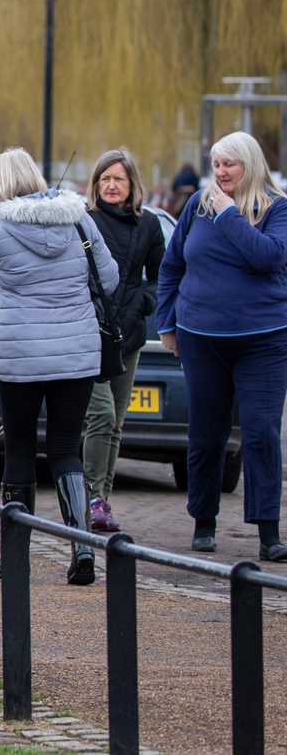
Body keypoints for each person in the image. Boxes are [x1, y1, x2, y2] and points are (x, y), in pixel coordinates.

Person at [0, 147, 117, 585]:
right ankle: (82, 550)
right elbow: (108, 278)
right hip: (76, 352)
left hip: (22, 354)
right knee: (67, 447)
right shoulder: (78, 218)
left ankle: (14, 557)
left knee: (20, 448)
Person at [157, 131, 287, 562]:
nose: (221, 172)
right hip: (200, 337)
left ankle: (268, 531)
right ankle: (203, 522)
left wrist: (230, 213)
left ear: (250, 164)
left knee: (261, 434)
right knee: (206, 435)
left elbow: (266, 257)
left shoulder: (276, 207)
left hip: (262, 341)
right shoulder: (196, 206)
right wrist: (167, 323)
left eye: (230, 164)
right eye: (216, 164)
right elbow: (172, 265)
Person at [80, 149, 165, 532]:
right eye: (105, 179)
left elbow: (161, 275)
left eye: (119, 179)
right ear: (96, 185)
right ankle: (90, 495)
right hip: (88, 331)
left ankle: (101, 501)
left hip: (128, 334)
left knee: (117, 422)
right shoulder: (84, 222)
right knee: (101, 415)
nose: (112, 185)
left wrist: (143, 303)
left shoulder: (148, 226)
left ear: (132, 185)